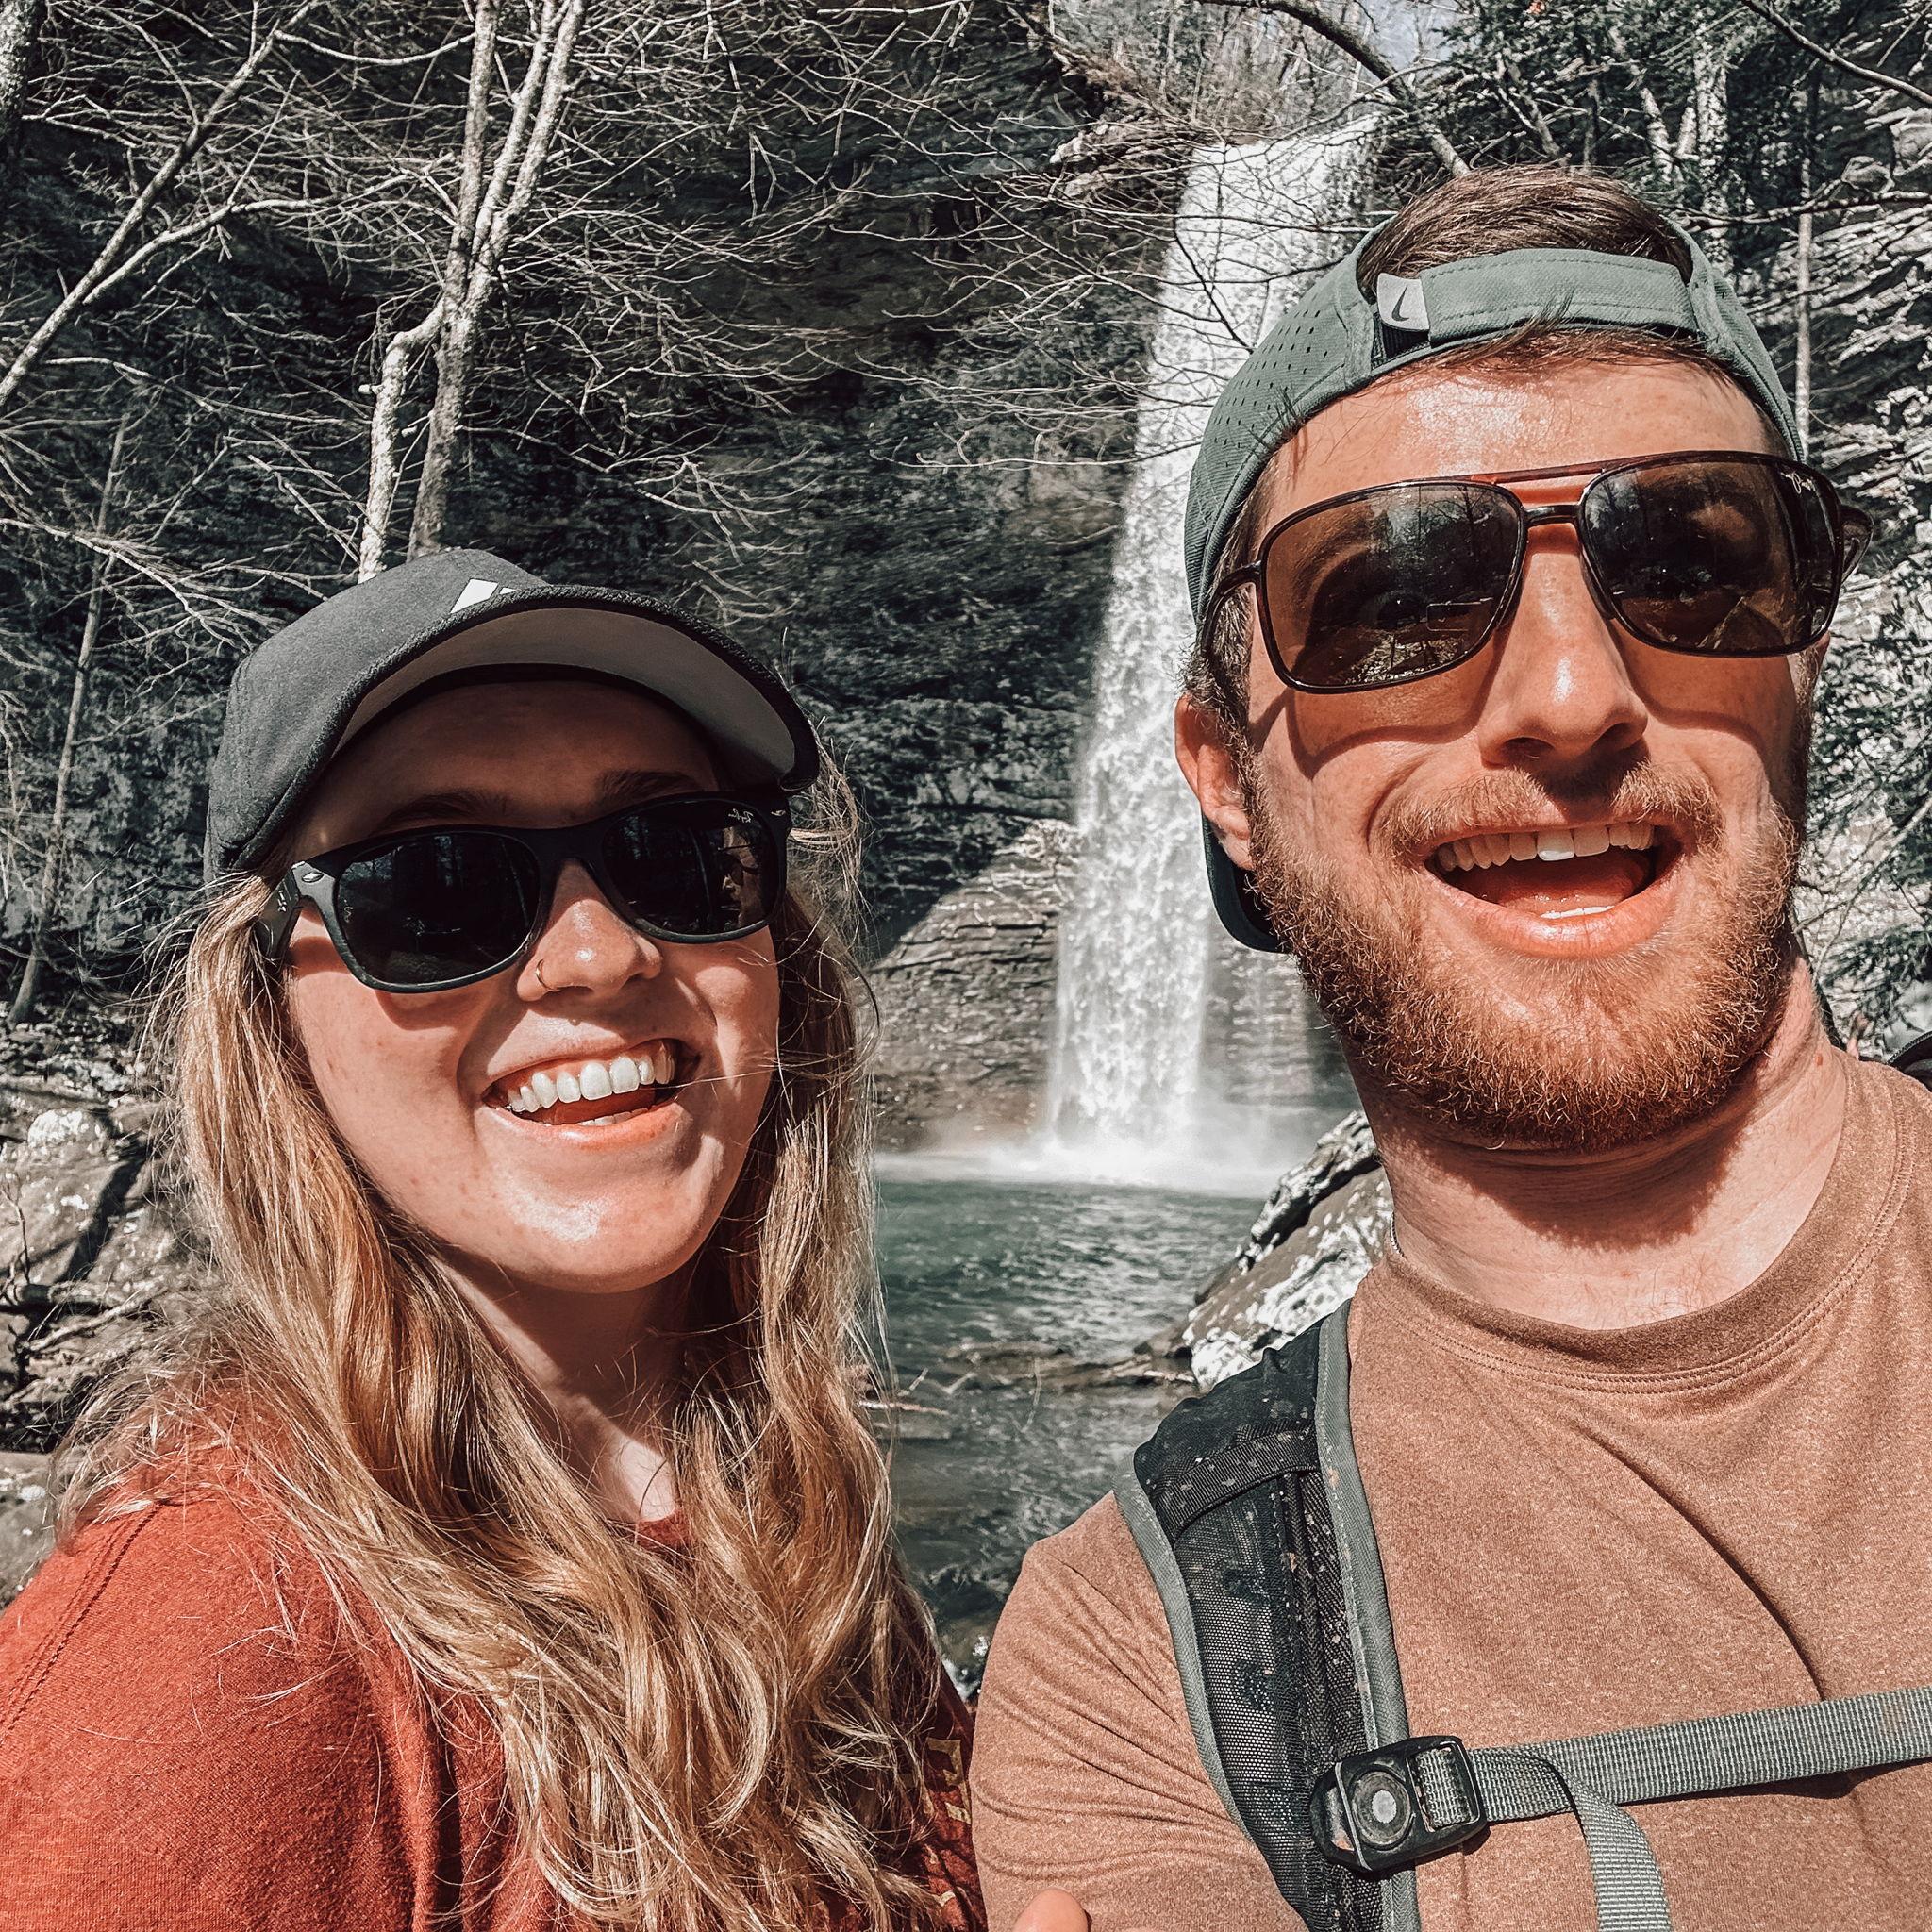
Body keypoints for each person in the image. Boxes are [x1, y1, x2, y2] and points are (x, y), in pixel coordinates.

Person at [971, 164, 1932, 1931]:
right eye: (1394, 599)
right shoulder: (1149, 1667)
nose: (1570, 697)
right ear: (1222, 779)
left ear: (1807, 660)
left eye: (1691, 564)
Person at [0, 548, 983, 1932]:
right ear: (271, 1019)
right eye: (437, 889)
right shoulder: (218, 1657)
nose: (599, 956)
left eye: (672, 854)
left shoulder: (796, 1518)